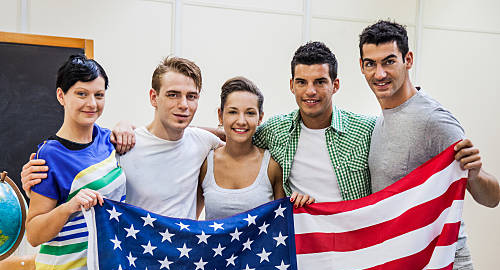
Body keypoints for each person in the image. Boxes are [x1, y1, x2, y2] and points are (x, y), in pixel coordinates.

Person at [358, 20, 500, 270]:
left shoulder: (434, 119)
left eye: (389, 62)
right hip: (405, 266)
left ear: (408, 60)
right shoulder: (379, 123)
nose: (379, 73)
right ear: (362, 67)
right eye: (371, 64)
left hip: (443, 266)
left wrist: (474, 173)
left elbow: (492, 197)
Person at [25, 55, 126, 270]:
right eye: (82, 94)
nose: (92, 103)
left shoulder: (108, 141)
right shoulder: (47, 157)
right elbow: (34, 232)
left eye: (99, 95)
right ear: (61, 96)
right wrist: (70, 205)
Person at [22, 56, 222, 219]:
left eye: (192, 96)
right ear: (154, 97)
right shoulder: (122, 145)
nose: (184, 105)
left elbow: (240, 136)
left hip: (182, 262)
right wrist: (40, 188)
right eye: (173, 95)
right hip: (129, 262)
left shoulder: (204, 141)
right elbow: (82, 179)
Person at [252, 42, 376, 204]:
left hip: (354, 227)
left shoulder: (366, 129)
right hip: (303, 227)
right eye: (302, 82)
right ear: (292, 86)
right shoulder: (275, 130)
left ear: (335, 85)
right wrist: (209, 137)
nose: (310, 91)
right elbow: (238, 138)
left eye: (320, 82)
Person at [198, 76, 290, 220]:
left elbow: (281, 225)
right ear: (220, 116)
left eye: (250, 113)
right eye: (233, 112)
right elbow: (190, 223)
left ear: (260, 118)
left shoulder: (272, 167)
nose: (241, 121)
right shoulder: (205, 164)